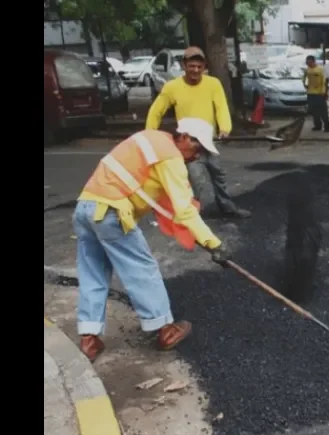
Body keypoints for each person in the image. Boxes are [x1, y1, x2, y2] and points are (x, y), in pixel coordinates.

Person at [74, 118, 232, 362]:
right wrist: (214, 244)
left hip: (85, 208)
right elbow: (184, 209)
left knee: (93, 270)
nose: (196, 156)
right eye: (197, 148)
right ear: (185, 137)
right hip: (112, 212)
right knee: (141, 268)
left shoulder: (152, 140)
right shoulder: (170, 155)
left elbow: (161, 202)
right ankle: (165, 330)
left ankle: (89, 338)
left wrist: (196, 234)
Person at [146, 46, 251, 219]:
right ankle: (192, 215)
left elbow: (221, 107)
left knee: (219, 176)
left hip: (210, 142)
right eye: (191, 66)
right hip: (189, 145)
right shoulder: (173, 87)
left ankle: (227, 207)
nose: (195, 70)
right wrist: (150, 134)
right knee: (196, 181)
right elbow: (156, 111)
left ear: (204, 67)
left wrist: (225, 128)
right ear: (184, 65)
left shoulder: (213, 84)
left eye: (199, 67)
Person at [304, 55, 329, 132]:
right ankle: (317, 125)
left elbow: (325, 81)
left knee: (323, 111)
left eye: (309, 62)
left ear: (313, 61)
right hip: (311, 93)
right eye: (307, 63)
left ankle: (327, 126)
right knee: (314, 110)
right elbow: (305, 78)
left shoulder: (320, 69)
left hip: (320, 93)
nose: (308, 64)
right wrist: (305, 85)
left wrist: (324, 91)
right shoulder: (307, 70)